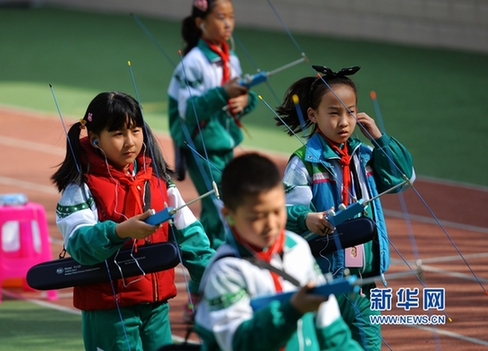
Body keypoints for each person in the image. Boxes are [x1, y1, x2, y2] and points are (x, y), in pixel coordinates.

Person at [51, 91, 215, 351]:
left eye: (136, 130)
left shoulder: (160, 178)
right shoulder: (80, 186)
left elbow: (191, 237)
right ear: (94, 139)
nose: (130, 142)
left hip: (157, 307)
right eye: (118, 134)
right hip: (108, 310)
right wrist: (119, 232)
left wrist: (217, 279)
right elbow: (79, 244)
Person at [275, 66, 416, 350]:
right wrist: (308, 218)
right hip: (325, 274)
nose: (344, 122)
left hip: (363, 279)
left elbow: (404, 179)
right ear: (313, 115)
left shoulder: (365, 154)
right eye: (334, 113)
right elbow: (284, 213)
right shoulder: (304, 162)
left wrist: (379, 138)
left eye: (350, 112)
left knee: (366, 341)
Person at [194, 152, 363, 351]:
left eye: (277, 211)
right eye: (257, 216)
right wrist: (292, 310)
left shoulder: (298, 247)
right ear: (228, 215)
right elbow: (241, 343)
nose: (271, 224)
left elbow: (332, 333)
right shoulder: (226, 271)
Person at [167, 0, 258, 251]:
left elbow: (240, 99)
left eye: (231, 16)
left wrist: (244, 100)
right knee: (219, 204)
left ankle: (215, 255)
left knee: (224, 202)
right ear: (201, 23)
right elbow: (187, 110)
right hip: (200, 143)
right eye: (220, 17)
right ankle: (214, 259)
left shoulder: (231, 58)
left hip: (223, 143)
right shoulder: (194, 61)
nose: (228, 23)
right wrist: (223, 93)